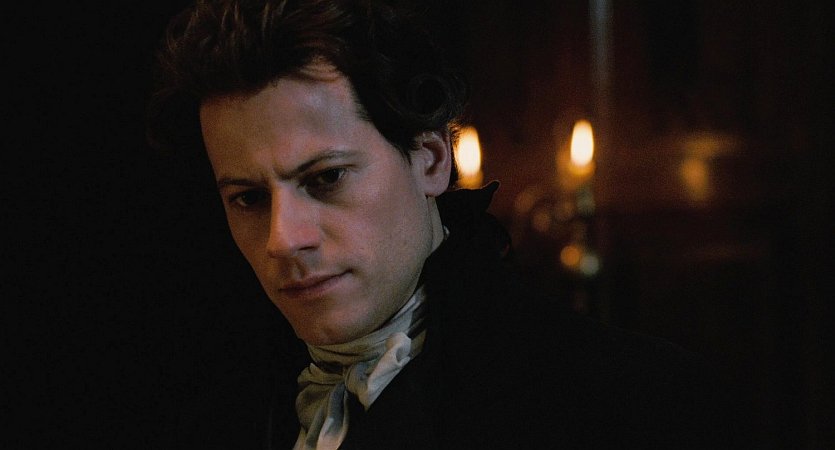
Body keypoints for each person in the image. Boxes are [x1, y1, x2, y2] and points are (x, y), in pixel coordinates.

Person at [147, 1, 733, 448]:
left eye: (326, 178)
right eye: (249, 198)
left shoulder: (629, 400)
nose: (283, 239)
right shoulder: (202, 404)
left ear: (430, 160)